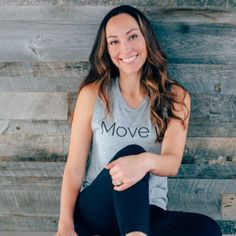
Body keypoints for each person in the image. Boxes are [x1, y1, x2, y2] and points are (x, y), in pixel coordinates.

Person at [55, 5, 222, 236]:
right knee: (129, 152)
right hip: (97, 212)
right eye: (114, 42)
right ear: (107, 50)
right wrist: (65, 225)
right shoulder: (93, 95)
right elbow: (74, 168)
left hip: (146, 212)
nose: (125, 48)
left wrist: (143, 162)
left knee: (207, 229)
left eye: (132, 36)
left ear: (146, 40)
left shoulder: (176, 97)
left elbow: (171, 163)